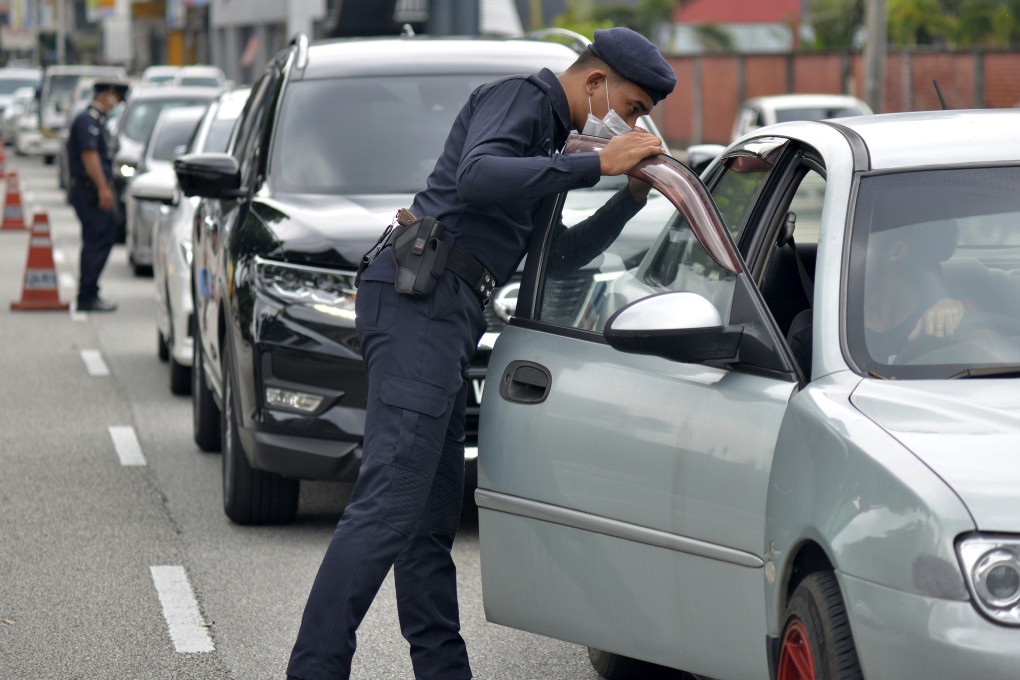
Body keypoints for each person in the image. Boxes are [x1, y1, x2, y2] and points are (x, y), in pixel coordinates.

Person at [287, 27, 676, 680]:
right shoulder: (524, 99)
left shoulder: (551, 142)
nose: (631, 123)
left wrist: (624, 198)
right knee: (387, 507)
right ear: (595, 82)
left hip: (443, 314)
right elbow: (478, 173)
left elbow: (563, 256)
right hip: (419, 304)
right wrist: (596, 164)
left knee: (425, 525)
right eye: (633, 107)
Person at [67, 79, 129, 312]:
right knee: (97, 237)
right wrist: (103, 188)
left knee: (102, 235)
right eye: (116, 98)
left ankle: (90, 292)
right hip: (88, 189)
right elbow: (90, 155)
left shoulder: (96, 120)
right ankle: (87, 295)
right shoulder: (87, 120)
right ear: (106, 95)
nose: (117, 104)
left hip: (90, 188)